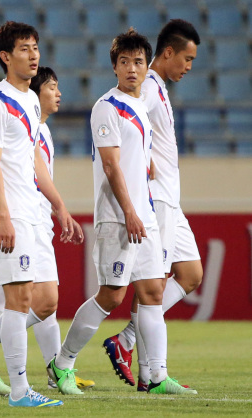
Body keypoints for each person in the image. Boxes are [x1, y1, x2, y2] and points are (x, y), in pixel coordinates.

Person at [47, 28, 196, 396]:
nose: (132, 69)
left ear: (148, 67)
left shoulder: (140, 109)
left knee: (152, 292)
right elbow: (112, 166)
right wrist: (130, 209)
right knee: (112, 296)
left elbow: (137, 162)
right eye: (125, 62)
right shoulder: (106, 107)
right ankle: (61, 364)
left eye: (138, 62)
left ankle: (156, 377)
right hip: (118, 215)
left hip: (143, 213)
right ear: (114, 66)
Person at [0, 22, 81, 407]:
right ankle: (20, 391)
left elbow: (35, 158)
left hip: (34, 214)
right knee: (19, 301)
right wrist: (2, 215)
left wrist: (58, 204)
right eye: (24, 49)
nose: (34, 54)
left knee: (47, 301)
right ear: (6, 57)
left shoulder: (32, 101)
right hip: (11, 214)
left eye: (35, 47)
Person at [102, 19, 203, 391]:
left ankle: (125, 341)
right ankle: (151, 374)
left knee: (190, 274)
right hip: (156, 198)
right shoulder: (145, 88)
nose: (188, 67)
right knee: (152, 284)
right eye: (187, 59)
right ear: (169, 52)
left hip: (170, 201)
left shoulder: (158, 88)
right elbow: (126, 124)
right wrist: (145, 166)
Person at [29, 67, 95, 391]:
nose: (58, 94)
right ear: (36, 92)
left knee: (43, 305)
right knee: (41, 302)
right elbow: (39, 176)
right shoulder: (31, 127)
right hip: (29, 221)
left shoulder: (43, 129)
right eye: (52, 87)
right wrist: (60, 207)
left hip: (38, 220)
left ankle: (59, 371)